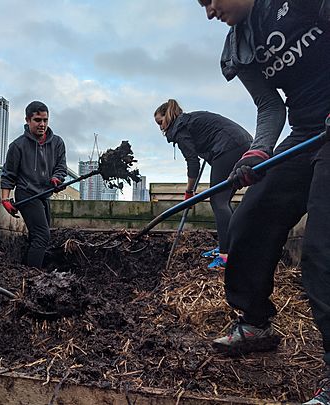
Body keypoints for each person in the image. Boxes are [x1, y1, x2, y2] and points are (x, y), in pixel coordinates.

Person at [197, 1, 330, 403]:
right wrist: (258, 152)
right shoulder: (239, 43)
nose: (209, 11)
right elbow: (270, 105)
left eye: (210, 0)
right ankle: (255, 324)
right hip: (306, 132)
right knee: (248, 222)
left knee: (321, 253)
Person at [154, 99, 252, 269]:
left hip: (228, 146)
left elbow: (193, 164)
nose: (161, 128)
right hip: (240, 142)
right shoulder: (189, 121)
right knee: (223, 201)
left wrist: (189, 192)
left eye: (160, 122)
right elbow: (209, 134)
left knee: (218, 201)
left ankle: (226, 256)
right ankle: (226, 246)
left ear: (168, 116)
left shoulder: (180, 129)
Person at [0, 101, 67, 268]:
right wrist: (5, 199)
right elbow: (9, 174)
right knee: (42, 236)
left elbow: (61, 167)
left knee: (40, 235)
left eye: (45, 120)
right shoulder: (17, 146)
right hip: (27, 192)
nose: (42, 124)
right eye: (37, 120)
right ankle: (33, 275)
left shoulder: (57, 143)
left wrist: (56, 179)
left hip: (44, 194)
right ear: (27, 120)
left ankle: (28, 266)